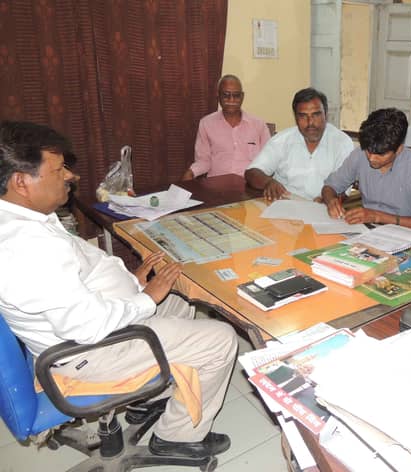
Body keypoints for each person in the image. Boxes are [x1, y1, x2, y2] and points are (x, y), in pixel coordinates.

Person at [0, 121, 238, 459]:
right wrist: (145, 298)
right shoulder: (26, 246)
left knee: (180, 302)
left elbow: (73, 284)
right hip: (88, 351)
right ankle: (177, 437)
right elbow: (87, 326)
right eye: (58, 169)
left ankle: (149, 399)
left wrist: (132, 282)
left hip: (87, 327)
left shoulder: (25, 218)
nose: (70, 175)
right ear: (21, 182)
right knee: (221, 338)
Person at [322, 108, 411, 231]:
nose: (371, 158)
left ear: (399, 149)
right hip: (366, 229)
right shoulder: (359, 155)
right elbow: (329, 186)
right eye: (368, 150)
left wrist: (377, 216)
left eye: (380, 154)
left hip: (403, 233)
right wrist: (331, 201)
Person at [245, 87, 353, 201]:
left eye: (316, 115)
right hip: (284, 206)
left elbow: (343, 189)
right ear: (296, 118)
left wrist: (327, 200)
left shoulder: (342, 143)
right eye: (303, 116)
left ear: (325, 115)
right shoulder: (282, 140)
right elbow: (252, 172)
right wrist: (268, 182)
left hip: (324, 207)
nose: (310, 122)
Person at [182, 74, 270, 180]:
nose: (231, 99)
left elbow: (268, 160)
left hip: (248, 184)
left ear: (242, 96)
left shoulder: (259, 125)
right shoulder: (206, 124)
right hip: (217, 184)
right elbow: (204, 161)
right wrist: (191, 172)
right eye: (226, 95)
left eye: (236, 95)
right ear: (218, 96)